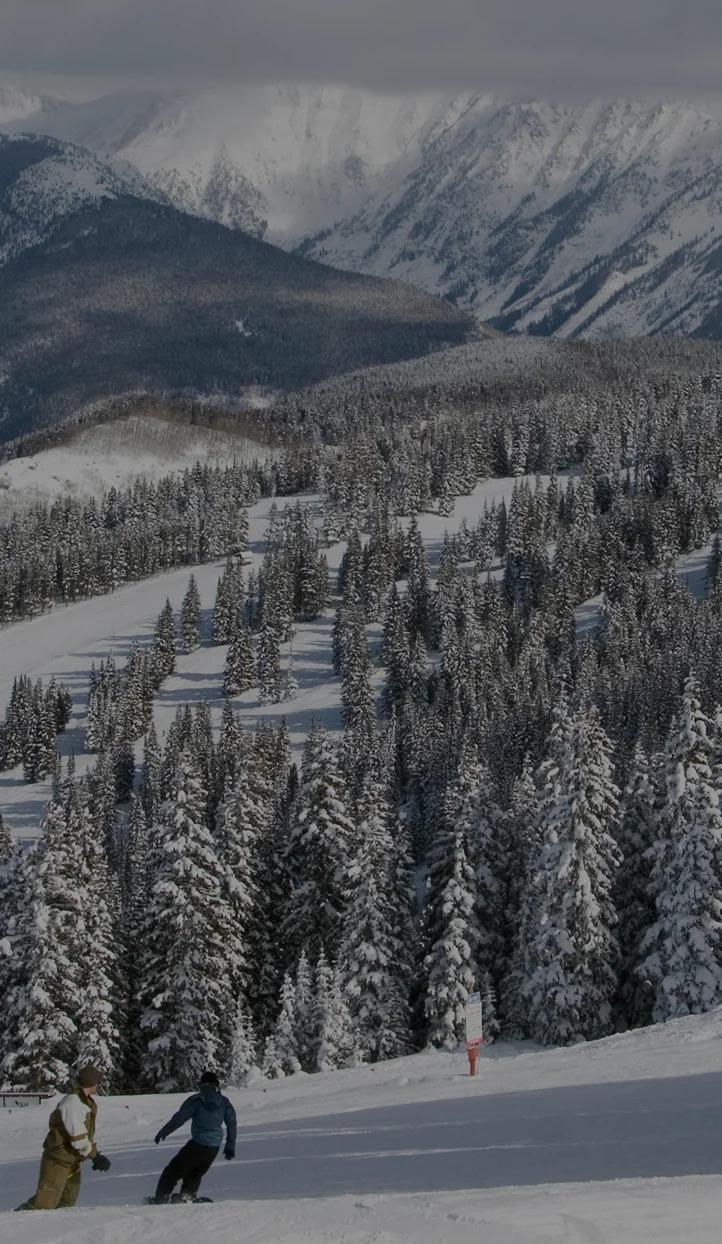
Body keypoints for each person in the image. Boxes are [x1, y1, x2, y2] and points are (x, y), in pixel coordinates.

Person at [15, 1063, 112, 1211]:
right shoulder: (73, 1103)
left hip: (71, 1160)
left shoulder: (84, 1101)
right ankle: (14, 1221)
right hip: (58, 1160)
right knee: (44, 1204)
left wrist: (93, 1154)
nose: (98, 1085)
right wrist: (95, 1156)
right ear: (91, 1083)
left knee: (67, 1204)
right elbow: (78, 1138)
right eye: (97, 1081)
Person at [151, 1070, 236, 1204]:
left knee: (172, 1172)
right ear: (216, 1085)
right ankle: (187, 1196)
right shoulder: (224, 1102)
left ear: (201, 1084)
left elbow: (180, 1118)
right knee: (195, 1174)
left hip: (198, 1145)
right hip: (213, 1148)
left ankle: (160, 1199)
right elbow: (231, 1123)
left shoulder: (196, 1100)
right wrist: (230, 1145)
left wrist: (164, 1132)